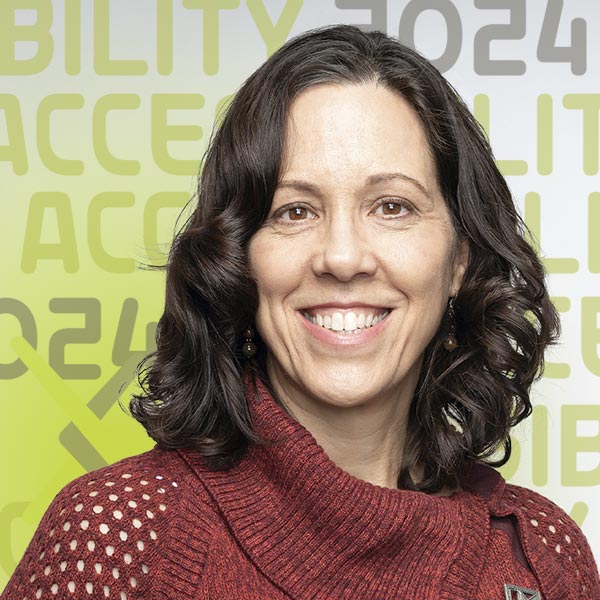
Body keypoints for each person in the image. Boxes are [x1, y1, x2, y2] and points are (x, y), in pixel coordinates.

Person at [2, 24, 599, 600]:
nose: (342, 258)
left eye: (391, 206)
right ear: (237, 257)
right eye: (294, 211)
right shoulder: (121, 537)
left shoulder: (542, 557)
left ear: (460, 260)